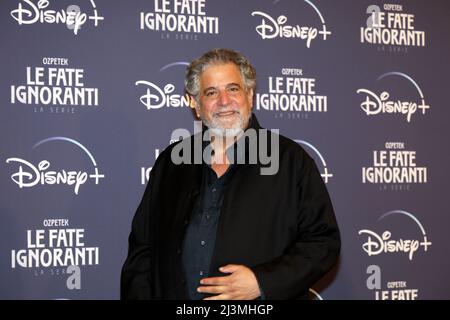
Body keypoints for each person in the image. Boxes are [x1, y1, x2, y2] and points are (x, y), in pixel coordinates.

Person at [120, 48, 340, 300]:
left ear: (250, 95)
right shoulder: (171, 163)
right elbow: (142, 250)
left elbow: (323, 242)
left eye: (233, 89)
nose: (224, 101)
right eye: (211, 92)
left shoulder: (290, 160)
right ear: (196, 104)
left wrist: (262, 282)